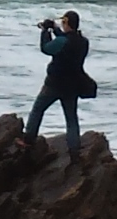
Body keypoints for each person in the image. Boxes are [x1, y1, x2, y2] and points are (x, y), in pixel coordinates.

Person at [22, 10, 94, 151]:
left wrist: (45, 31)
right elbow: (66, 40)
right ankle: (74, 150)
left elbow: (47, 48)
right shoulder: (83, 42)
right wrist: (55, 29)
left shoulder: (63, 41)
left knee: (38, 109)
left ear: (66, 22)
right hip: (73, 85)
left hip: (55, 84)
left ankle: (29, 139)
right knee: (71, 119)